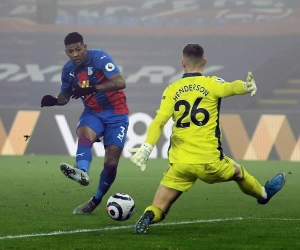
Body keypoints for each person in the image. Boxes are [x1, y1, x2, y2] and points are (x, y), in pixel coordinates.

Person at [129, 43, 286, 234]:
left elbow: (158, 122)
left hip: (180, 163)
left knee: (160, 206)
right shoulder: (211, 83)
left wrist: (147, 147)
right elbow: (230, 88)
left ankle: (148, 216)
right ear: (204, 62)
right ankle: (263, 194)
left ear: (182, 63)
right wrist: (245, 86)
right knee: (239, 172)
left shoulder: (172, 89)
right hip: (209, 161)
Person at [41, 32, 129, 214]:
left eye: (78, 49)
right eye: (71, 51)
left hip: (117, 114)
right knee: (84, 133)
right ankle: (82, 171)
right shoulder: (68, 71)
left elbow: (120, 82)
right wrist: (54, 101)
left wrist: (93, 88)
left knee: (111, 163)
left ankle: (95, 200)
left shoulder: (99, 57)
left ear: (85, 47)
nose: (75, 54)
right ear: (66, 52)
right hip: (93, 112)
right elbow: (65, 97)